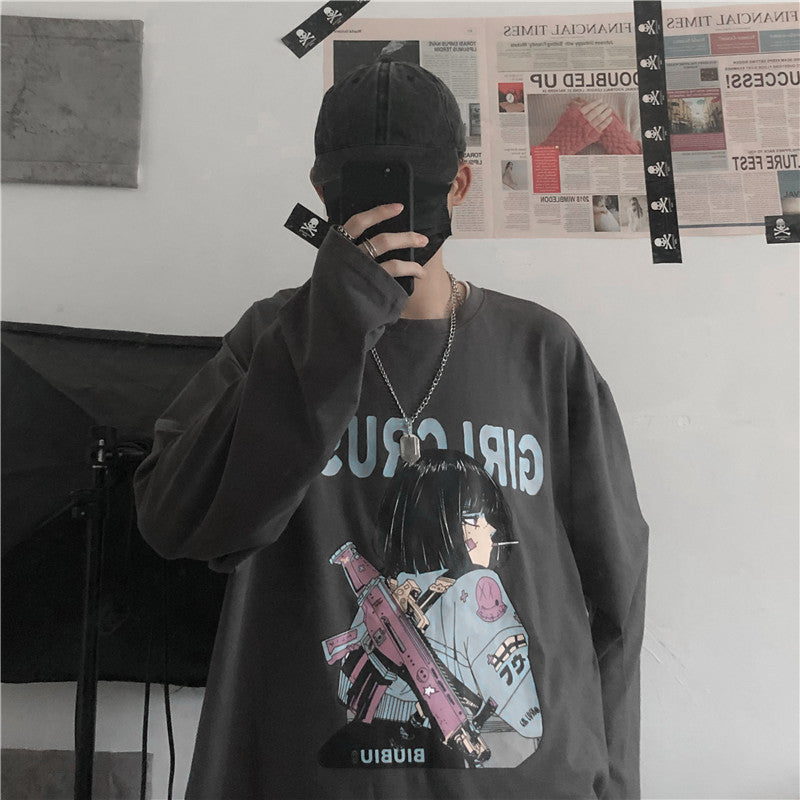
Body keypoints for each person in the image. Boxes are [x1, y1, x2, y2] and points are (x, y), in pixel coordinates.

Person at [135, 58, 649, 799]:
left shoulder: (541, 351)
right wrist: (331, 320)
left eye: (409, 189)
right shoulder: (272, 338)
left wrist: (617, 780)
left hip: (525, 778)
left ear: (459, 187)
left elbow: (617, 586)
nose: (385, 215)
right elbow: (176, 522)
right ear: (324, 195)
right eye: (360, 191)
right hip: (312, 776)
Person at [319, 450, 542, 770]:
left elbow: (349, 696)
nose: (490, 529)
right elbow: (529, 722)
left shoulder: (389, 589)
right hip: (459, 773)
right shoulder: (479, 587)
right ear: (443, 525)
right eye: (474, 517)